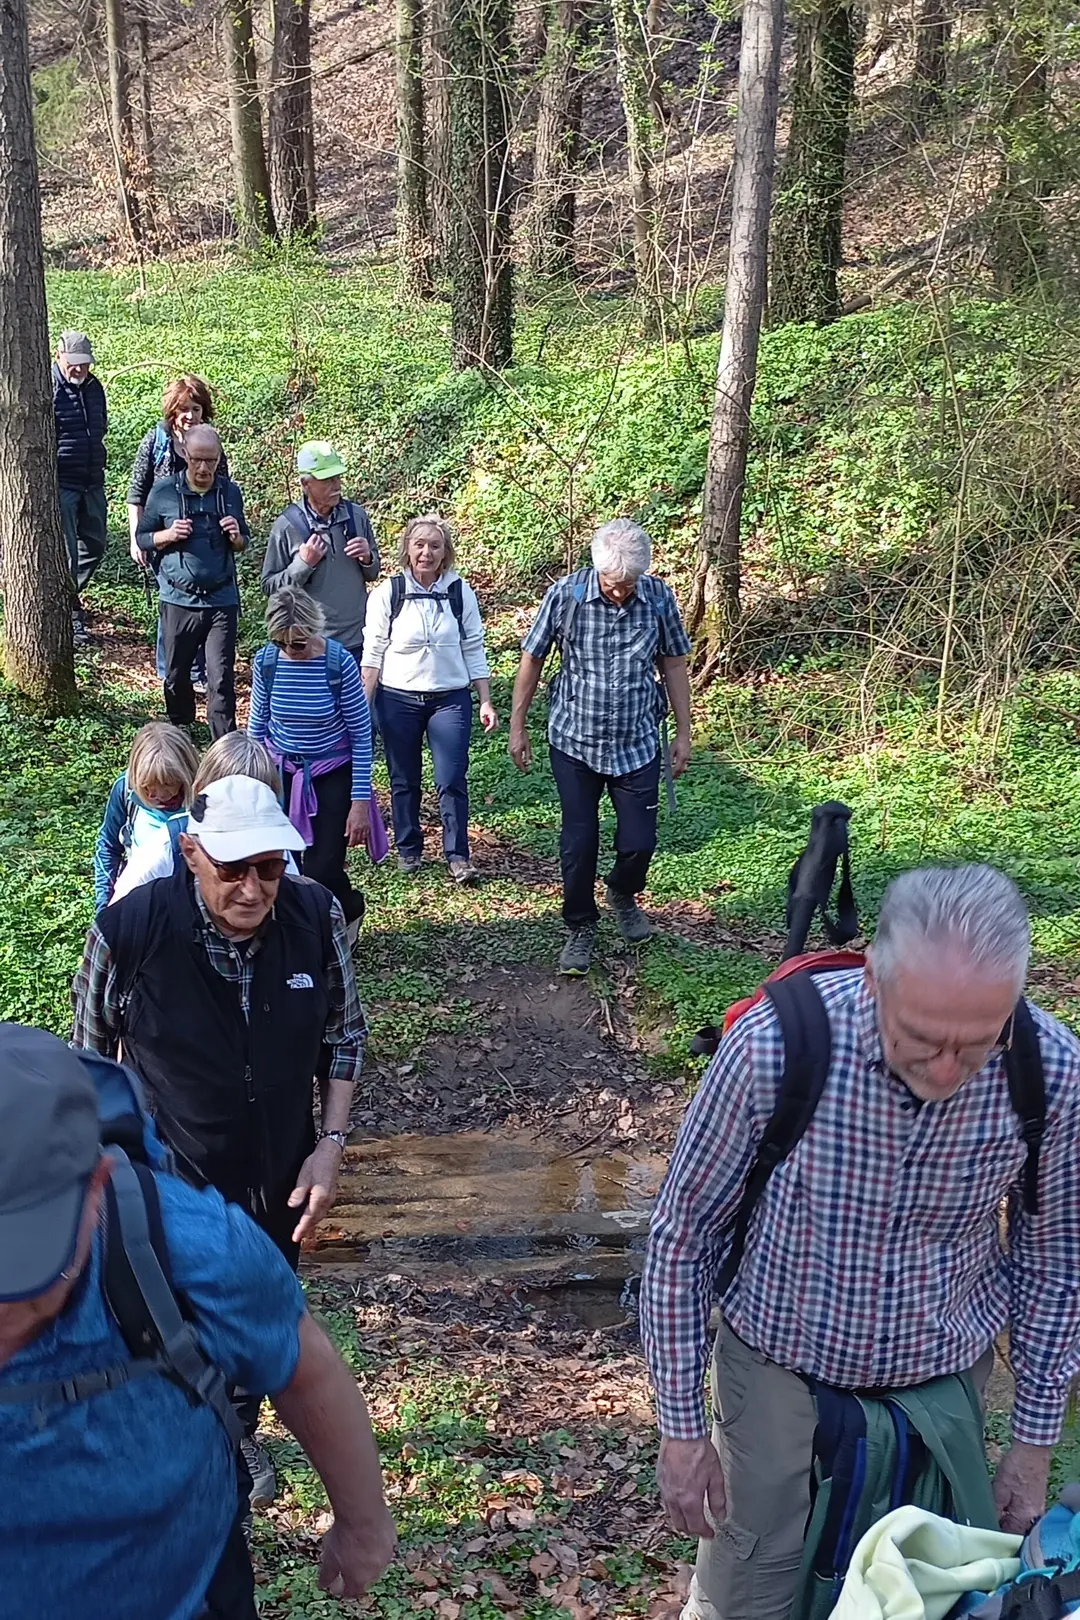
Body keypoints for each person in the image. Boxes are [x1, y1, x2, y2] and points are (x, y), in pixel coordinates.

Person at [640, 864, 1080, 1620]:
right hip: (777, 1371)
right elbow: (684, 1237)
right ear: (875, 980)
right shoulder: (775, 1048)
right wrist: (681, 1433)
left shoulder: (1051, 1073)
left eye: (976, 1045)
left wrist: (1032, 1446)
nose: (947, 1070)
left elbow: (1053, 1265)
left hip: (939, 1386)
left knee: (923, 1597)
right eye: (922, 1040)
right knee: (750, 1596)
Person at [0, 1022, 395, 1620]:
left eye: (22, 1270)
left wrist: (363, 1525)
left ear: (98, 1182)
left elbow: (304, 1369)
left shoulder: (191, 1248)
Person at [71, 773, 367, 1502]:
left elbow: (345, 1035)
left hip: (280, 1176)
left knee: (255, 1322)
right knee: (168, 1331)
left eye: (268, 869)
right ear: (192, 853)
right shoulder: (129, 932)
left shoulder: (314, 917)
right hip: (167, 1182)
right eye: (233, 870)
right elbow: (86, 1067)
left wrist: (329, 1144)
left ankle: (234, 1438)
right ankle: (193, 1460)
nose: (252, 889)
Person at [508, 519, 692, 975]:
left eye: (629, 585)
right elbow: (533, 657)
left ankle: (622, 891)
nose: (620, 593)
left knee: (639, 841)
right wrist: (518, 723)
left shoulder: (659, 599)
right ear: (597, 571)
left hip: (638, 743)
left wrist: (684, 732)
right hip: (575, 740)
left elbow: (673, 664)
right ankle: (579, 927)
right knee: (579, 839)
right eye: (613, 585)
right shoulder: (566, 596)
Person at [361, 514, 497, 883]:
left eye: (434, 545)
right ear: (407, 548)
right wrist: (362, 705)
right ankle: (409, 849)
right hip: (397, 697)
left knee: (451, 777)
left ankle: (457, 855)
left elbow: (474, 646)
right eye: (419, 544)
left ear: (445, 552)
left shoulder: (459, 591)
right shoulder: (388, 593)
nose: (426, 552)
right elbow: (373, 653)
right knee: (403, 778)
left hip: (449, 699)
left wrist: (485, 699)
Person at [250, 588, 372, 935]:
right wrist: (255, 785)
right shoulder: (267, 663)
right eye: (283, 643)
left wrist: (360, 801)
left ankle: (349, 909)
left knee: (322, 866)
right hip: (282, 773)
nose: (291, 650)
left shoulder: (338, 664)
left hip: (331, 773)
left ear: (315, 630)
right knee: (287, 862)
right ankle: (303, 933)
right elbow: (257, 729)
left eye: (299, 643)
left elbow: (362, 735)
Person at [136, 424, 248, 739]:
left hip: (221, 599)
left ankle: (224, 742)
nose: (203, 468)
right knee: (175, 674)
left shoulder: (229, 493)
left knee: (220, 677)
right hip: (177, 598)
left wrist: (236, 536)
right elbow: (142, 538)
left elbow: (244, 543)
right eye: (197, 459)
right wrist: (168, 535)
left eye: (210, 460)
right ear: (184, 454)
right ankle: (180, 729)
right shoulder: (164, 492)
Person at [127, 374, 230, 688]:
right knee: (173, 601)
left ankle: (197, 670)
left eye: (196, 408)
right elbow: (137, 493)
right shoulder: (156, 441)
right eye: (184, 408)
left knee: (203, 601)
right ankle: (170, 669)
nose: (190, 415)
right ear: (172, 410)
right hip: (163, 538)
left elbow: (223, 489)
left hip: (203, 540)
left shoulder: (210, 442)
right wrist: (138, 538)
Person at [261, 441, 381, 666]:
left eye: (338, 477)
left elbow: (373, 573)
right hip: (313, 644)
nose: (336, 485)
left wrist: (367, 558)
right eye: (327, 479)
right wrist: (303, 564)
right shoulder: (287, 526)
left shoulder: (356, 516)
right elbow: (269, 587)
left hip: (360, 639)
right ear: (306, 484)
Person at [93, 721, 199, 912]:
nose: (156, 795)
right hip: (140, 900)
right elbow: (108, 846)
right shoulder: (125, 789)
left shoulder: (204, 798)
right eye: (147, 785)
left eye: (167, 784)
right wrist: (103, 907)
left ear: (185, 775)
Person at [52, 329, 108, 645]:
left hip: (93, 481)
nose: (78, 369)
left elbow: (101, 426)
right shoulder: (47, 387)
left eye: (84, 364)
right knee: (68, 555)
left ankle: (67, 594)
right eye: (73, 363)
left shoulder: (94, 387)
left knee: (96, 545)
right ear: (59, 357)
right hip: (64, 484)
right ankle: (71, 616)